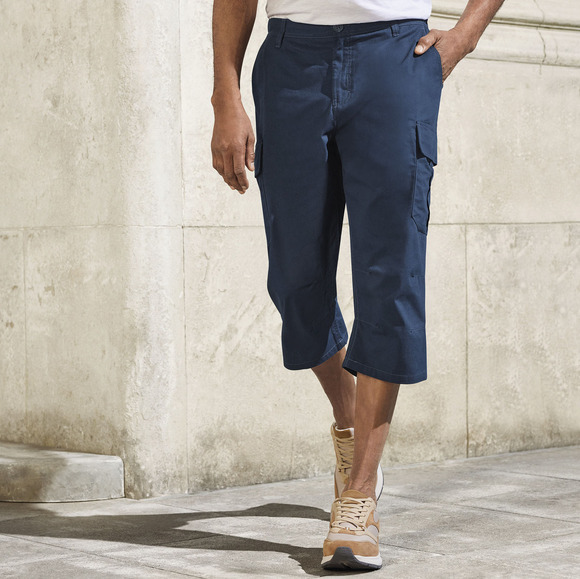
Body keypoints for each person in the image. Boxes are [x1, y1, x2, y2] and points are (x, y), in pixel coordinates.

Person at [210, 0, 505, 571]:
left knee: (390, 277)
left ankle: (360, 493)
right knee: (295, 280)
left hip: (394, 57)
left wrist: (466, 34)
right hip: (291, 61)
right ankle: (350, 419)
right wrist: (226, 94)